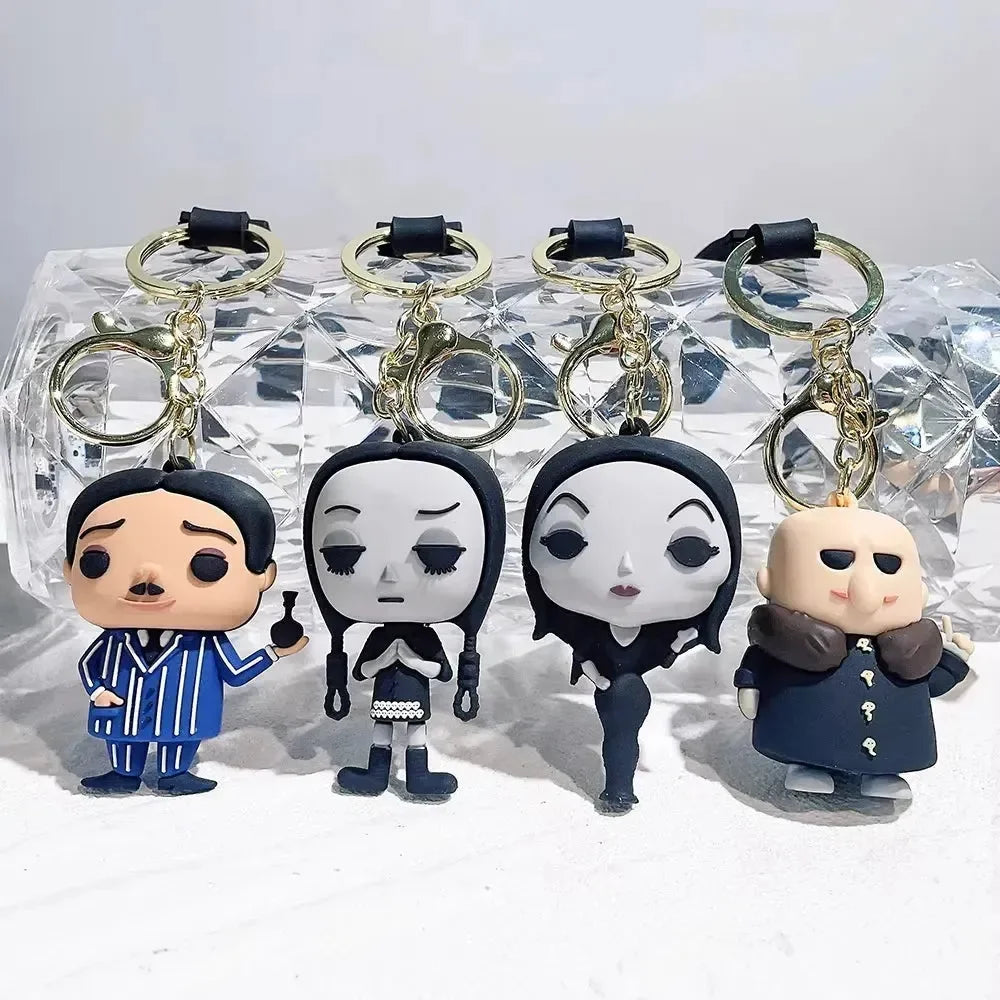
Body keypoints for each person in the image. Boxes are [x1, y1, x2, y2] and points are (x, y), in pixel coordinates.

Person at [522, 435, 742, 814]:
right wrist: (600, 679)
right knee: (618, 739)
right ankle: (618, 787)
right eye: (566, 542)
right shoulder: (591, 634)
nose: (626, 567)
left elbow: (665, 652)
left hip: (632, 695)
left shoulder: (651, 637)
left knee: (624, 739)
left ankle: (620, 787)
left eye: (689, 549)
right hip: (612, 693)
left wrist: (685, 638)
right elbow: (585, 657)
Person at [67, 465, 308, 795]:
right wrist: (97, 692)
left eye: (207, 564)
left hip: (184, 713)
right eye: (97, 560)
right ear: (69, 569)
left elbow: (236, 673)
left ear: (263, 576)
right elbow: (87, 665)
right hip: (121, 710)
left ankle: (174, 774)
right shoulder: (113, 641)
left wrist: (275, 652)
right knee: (122, 739)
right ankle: (123, 774)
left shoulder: (207, 643)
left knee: (179, 737)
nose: (147, 579)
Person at [304, 439, 505, 799]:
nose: (390, 577)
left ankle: (418, 775)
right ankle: (375, 775)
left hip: (414, 701)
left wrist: (409, 660)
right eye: (342, 556)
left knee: (416, 734)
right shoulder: (380, 638)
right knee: (381, 732)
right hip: (384, 701)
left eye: (437, 555)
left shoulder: (424, 638)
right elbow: (362, 672)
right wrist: (384, 660)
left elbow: (441, 672)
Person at [735, 501, 973, 799]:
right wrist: (749, 683)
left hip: (892, 744)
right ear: (767, 581)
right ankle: (807, 766)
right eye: (836, 560)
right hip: (804, 736)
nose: (865, 591)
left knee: (888, 754)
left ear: (920, 590)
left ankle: (882, 773)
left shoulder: (910, 651)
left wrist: (952, 659)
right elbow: (759, 663)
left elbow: (932, 684)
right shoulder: (789, 644)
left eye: (888, 565)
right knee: (807, 747)